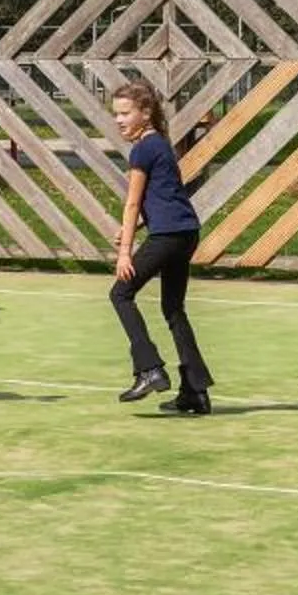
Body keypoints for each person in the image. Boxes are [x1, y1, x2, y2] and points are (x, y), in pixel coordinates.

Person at [107, 77, 213, 415]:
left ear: (146, 112)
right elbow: (165, 195)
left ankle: (149, 369)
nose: (119, 120)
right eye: (116, 114)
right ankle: (194, 392)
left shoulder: (142, 149)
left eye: (125, 113)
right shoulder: (162, 145)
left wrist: (125, 249)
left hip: (167, 236)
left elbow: (133, 202)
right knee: (173, 308)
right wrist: (132, 229)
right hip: (185, 234)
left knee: (120, 294)